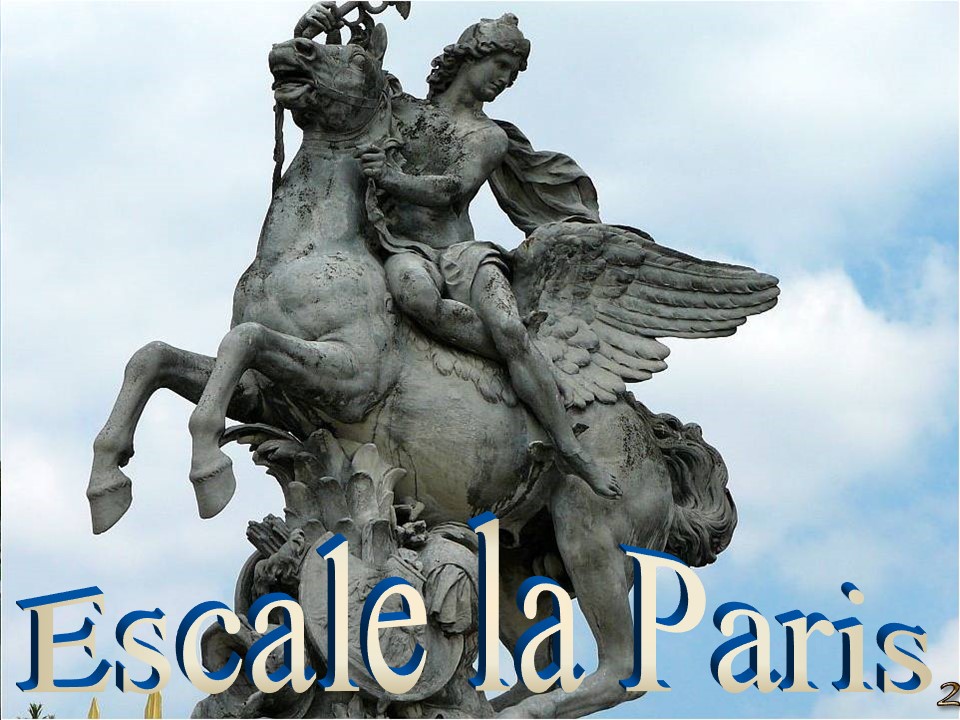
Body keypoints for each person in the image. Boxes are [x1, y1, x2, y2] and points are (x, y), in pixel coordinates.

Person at [297, 5, 620, 498]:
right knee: (415, 297)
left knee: (509, 327)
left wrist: (392, 177)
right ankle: (501, 365)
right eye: (501, 66)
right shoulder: (401, 109)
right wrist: (315, 29)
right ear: (472, 56)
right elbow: (334, 83)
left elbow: (453, 188)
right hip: (404, 248)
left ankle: (568, 442)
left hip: (462, 255)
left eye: (513, 74)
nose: (505, 81)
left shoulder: (488, 136)